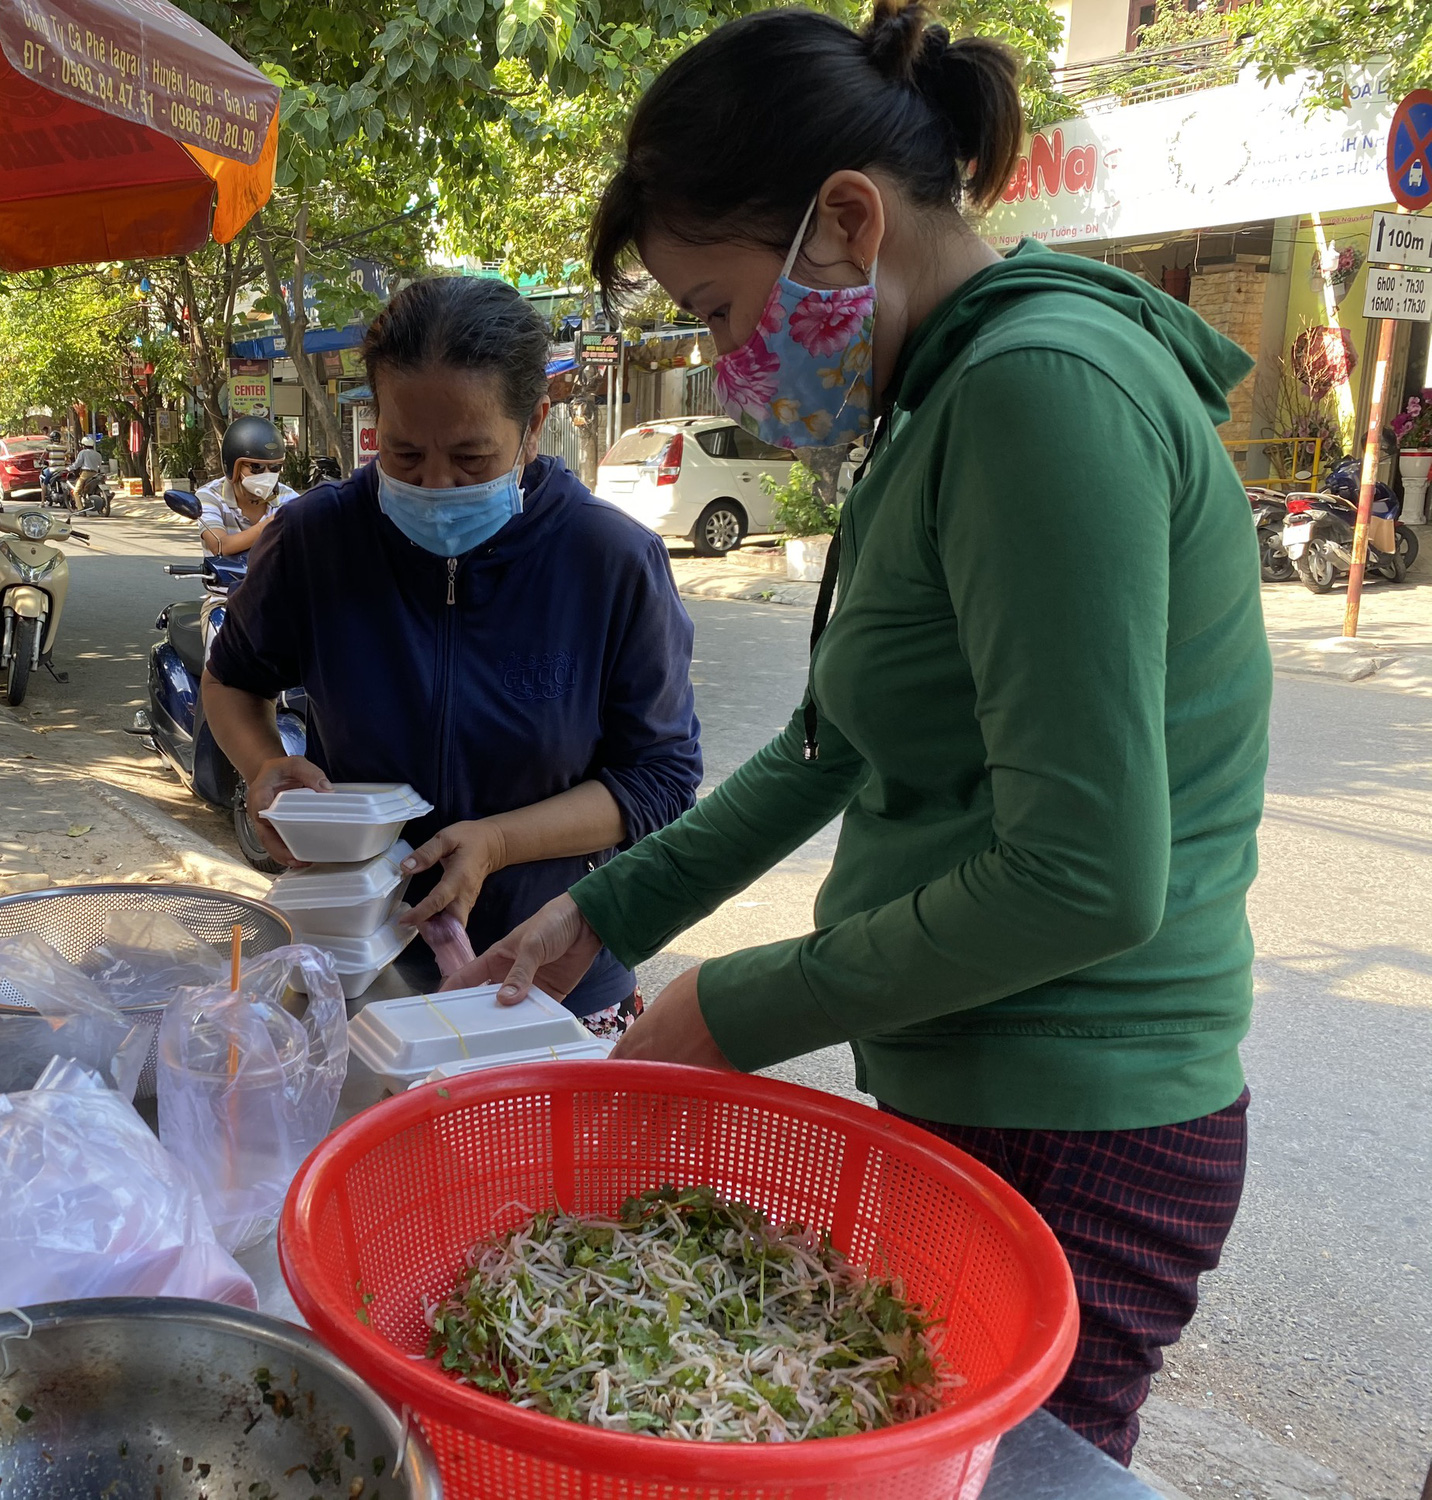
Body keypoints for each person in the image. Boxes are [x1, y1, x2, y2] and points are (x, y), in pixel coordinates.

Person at [452, 1, 1269, 1465]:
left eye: (714, 307)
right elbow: (837, 746)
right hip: (976, 1083)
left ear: (845, 220)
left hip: (1078, 1118)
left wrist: (737, 1007)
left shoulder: (1039, 394)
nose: (724, 361)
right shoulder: (947, 388)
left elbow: (1086, 871)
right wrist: (606, 912)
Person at [203, 276, 702, 1018]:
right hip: (362, 977)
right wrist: (265, 764)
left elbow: (661, 777)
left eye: (472, 460)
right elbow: (231, 678)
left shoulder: (609, 560)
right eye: (404, 455)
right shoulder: (317, 539)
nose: (435, 486)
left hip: (552, 980)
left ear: (534, 426)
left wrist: (497, 843)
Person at [197, 416, 297, 559]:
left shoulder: (288, 499)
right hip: (228, 581)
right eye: (257, 467)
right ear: (233, 467)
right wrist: (275, 523)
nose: (267, 475)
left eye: (275, 467)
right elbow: (219, 545)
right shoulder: (211, 497)